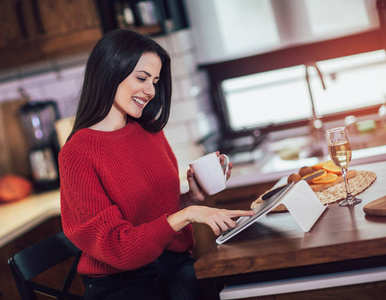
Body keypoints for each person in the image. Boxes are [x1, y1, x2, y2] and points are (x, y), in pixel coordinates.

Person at [58, 29, 254, 300]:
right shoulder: (77, 153)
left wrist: (189, 200)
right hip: (119, 282)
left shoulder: (150, 132)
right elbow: (117, 247)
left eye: (155, 80)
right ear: (109, 72)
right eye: (141, 78)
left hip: (173, 265)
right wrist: (188, 214)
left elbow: (156, 220)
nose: (150, 90)